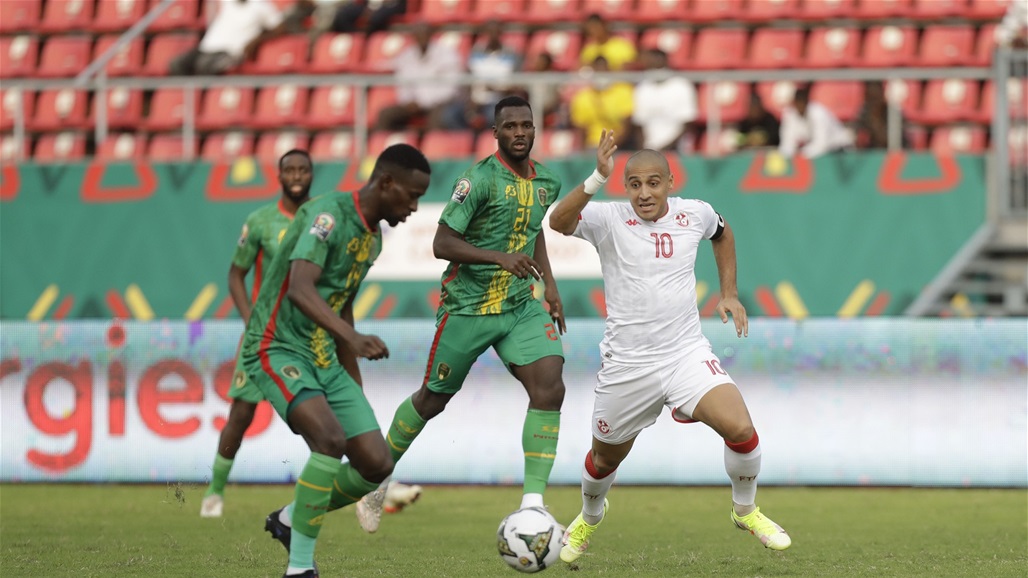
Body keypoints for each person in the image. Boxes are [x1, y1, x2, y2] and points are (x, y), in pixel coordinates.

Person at [548, 132, 792, 565]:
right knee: (603, 461)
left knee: (741, 429)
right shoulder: (608, 219)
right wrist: (596, 177)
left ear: (670, 182)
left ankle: (746, 510)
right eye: (635, 183)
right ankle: (589, 516)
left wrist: (729, 292)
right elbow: (558, 223)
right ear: (626, 187)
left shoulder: (693, 214)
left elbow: (722, 231)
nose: (645, 193)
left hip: (684, 354)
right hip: (628, 365)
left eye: (654, 182)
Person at [353, 96, 568, 534]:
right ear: (495, 133)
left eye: (527, 125)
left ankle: (533, 505)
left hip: (520, 305)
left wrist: (552, 288)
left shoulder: (547, 180)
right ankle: (375, 483)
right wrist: (499, 258)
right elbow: (442, 243)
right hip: (468, 307)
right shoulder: (478, 180)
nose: (520, 133)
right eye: (510, 126)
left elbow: (533, 231)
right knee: (432, 399)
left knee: (550, 387)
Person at [240, 144, 432, 578]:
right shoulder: (325, 215)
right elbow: (299, 289)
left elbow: (341, 306)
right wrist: (355, 338)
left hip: (325, 357)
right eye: (412, 195)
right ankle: (300, 569)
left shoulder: (372, 238)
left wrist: (354, 387)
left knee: (376, 463)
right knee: (329, 440)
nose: (415, 206)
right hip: (276, 347)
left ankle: (290, 518)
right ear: (386, 183)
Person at [200, 150, 423, 520]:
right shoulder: (264, 221)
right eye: (290, 168)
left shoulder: (345, 225)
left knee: (332, 437)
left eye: (304, 168)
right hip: (270, 336)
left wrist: (351, 361)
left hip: (316, 342)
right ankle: (215, 492)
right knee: (241, 414)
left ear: (312, 173)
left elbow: (341, 299)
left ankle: (345, 497)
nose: (297, 175)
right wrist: (249, 317)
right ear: (279, 175)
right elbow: (239, 274)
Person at [375, 22, 463, 131]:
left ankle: (433, 147)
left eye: (424, 33)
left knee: (438, 118)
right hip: (413, 104)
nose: (421, 36)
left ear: (431, 34)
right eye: (418, 33)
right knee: (386, 114)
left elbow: (451, 89)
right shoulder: (407, 55)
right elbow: (403, 83)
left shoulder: (447, 54)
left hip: (440, 103)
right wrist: (408, 101)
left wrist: (423, 102)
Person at [169, 0, 287, 76]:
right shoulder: (228, 2)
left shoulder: (262, 6)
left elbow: (280, 28)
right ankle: (184, 102)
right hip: (206, 48)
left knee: (204, 65)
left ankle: (204, 103)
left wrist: (256, 40)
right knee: (177, 63)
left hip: (230, 51)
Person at [443, 19, 522, 130]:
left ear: (501, 33)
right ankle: (466, 142)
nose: (492, 35)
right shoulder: (475, 52)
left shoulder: (512, 54)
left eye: (496, 32)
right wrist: (469, 99)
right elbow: (467, 80)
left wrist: (496, 89)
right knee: (450, 115)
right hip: (475, 100)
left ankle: (487, 143)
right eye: (489, 32)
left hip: (498, 100)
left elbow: (517, 85)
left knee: (492, 116)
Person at [631, 48, 697, 153]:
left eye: (658, 65)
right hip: (649, 150)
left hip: (677, 150)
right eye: (651, 66)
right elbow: (639, 123)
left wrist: (666, 148)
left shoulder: (682, 86)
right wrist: (644, 149)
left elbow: (687, 123)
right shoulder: (642, 88)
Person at [570, 56, 635, 148]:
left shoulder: (624, 91)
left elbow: (627, 125)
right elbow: (581, 130)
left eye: (604, 70)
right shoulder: (582, 97)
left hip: (619, 145)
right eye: (598, 71)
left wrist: (610, 147)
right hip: (592, 146)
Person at [778, 85, 853, 159]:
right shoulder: (791, 115)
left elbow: (821, 144)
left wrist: (801, 154)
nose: (800, 106)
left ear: (807, 102)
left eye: (802, 102)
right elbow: (787, 142)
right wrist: (787, 154)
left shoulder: (818, 113)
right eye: (797, 103)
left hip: (839, 150)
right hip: (816, 153)